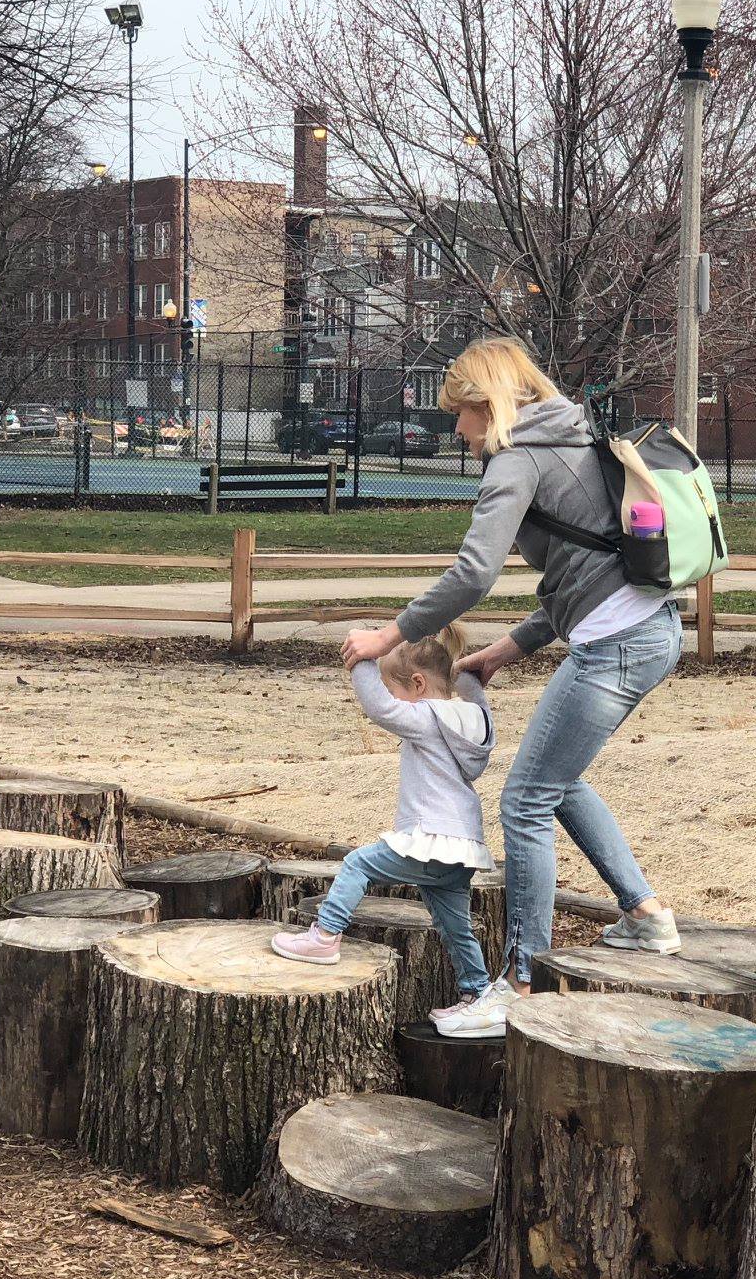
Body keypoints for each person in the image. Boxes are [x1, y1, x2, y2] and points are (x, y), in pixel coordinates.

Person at [339, 337, 681, 1032]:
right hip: (650, 630)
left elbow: (473, 572)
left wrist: (388, 637)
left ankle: (518, 985)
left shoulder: (516, 458)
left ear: (486, 404)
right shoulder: (570, 438)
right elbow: (585, 572)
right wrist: (505, 650)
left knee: (525, 800)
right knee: (557, 781)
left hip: (616, 646)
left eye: (459, 414)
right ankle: (645, 914)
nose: (457, 431)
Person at [273, 625, 501, 1035]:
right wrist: (467, 678)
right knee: (455, 926)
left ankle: (324, 936)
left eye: (395, 689)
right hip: (463, 847)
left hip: (431, 839)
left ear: (418, 684)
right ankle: (477, 990)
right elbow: (474, 696)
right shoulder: (472, 718)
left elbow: (379, 708)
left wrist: (361, 658)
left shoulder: (427, 717)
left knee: (358, 864)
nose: (394, 700)